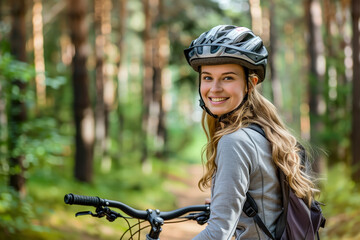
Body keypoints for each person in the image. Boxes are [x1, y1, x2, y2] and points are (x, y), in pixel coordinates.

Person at [183, 25, 318, 239]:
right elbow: (267, 200)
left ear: (250, 84)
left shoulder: (234, 141)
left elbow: (218, 233)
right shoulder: (263, 132)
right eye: (208, 77)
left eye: (228, 78)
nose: (214, 88)